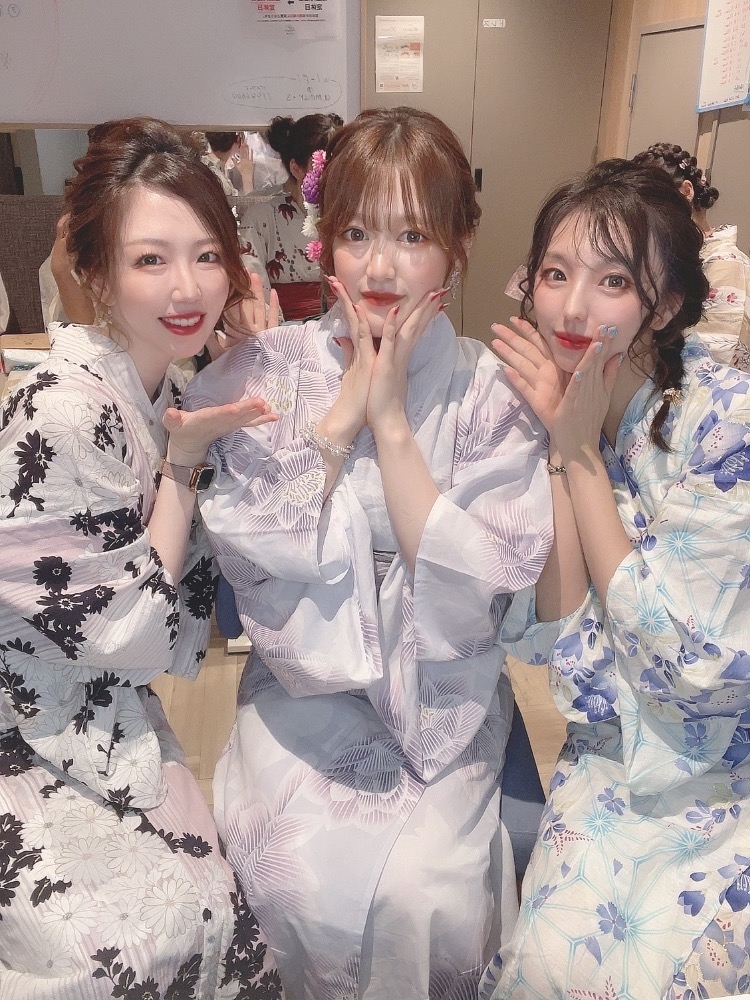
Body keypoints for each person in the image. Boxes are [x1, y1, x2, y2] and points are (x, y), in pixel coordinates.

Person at [184, 105, 554, 998]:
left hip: (442, 690)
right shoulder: (269, 368)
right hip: (305, 687)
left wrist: (389, 423)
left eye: (412, 236)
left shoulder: (492, 391)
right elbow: (250, 557)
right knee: (284, 872)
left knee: (431, 890)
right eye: (356, 233)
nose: (379, 267)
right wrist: (339, 417)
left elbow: (484, 585)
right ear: (325, 241)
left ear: (459, 247)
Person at [0, 115, 284, 998]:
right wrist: (184, 466)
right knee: (135, 948)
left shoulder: (167, 385)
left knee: (221, 908)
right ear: (94, 272)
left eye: (207, 255)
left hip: (98, 715)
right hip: (29, 731)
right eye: (150, 260)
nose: (187, 287)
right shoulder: (63, 411)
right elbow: (139, 637)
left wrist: (259, 365)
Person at [480, 160, 750, 1000]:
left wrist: (578, 455)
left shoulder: (726, 422)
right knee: (545, 961)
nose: (571, 308)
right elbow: (553, 635)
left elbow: (690, 666)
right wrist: (563, 443)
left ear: (663, 306)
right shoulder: (560, 406)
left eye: (613, 281)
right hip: (607, 759)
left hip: (719, 772)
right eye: (555, 274)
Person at [633, 141, 750, 371]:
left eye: (655, 203)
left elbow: (715, 363)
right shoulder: (668, 255)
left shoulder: (726, 264)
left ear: (687, 191)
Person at [238, 112, 342, 321]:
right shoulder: (260, 218)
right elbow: (253, 288)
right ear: (296, 168)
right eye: (324, 167)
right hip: (284, 328)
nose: (335, 175)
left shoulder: (348, 215)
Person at [202, 130, 255, 197]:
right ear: (238, 139)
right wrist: (247, 175)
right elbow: (247, 202)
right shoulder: (221, 181)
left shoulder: (203, 163)